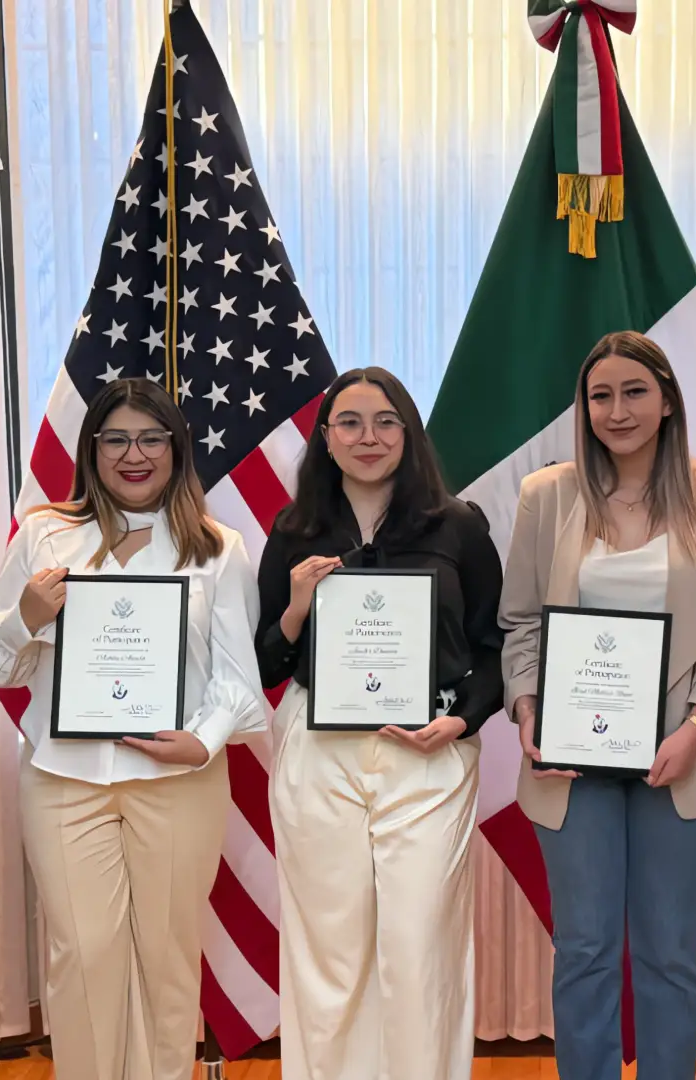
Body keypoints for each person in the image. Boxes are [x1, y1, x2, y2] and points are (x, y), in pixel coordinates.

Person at [0, 378, 266, 1080]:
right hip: (64, 779)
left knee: (166, 955)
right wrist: (28, 617)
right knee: (82, 953)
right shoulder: (45, 533)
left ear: (176, 448)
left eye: (151, 438)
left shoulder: (219, 547)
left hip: (177, 778)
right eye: (116, 439)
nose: (134, 454)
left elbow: (237, 672)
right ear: (92, 449)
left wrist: (207, 737)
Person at [498, 331, 696, 1080]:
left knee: (670, 951)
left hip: (683, 757)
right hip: (570, 762)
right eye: (601, 395)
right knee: (583, 950)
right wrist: (527, 712)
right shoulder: (546, 496)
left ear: (668, 401)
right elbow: (519, 622)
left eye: (635, 392)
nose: (617, 410)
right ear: (584, 408)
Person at [255, 366, 504, 1080]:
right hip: (318, 748)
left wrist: (460, 723)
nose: (369, 437)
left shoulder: (457, 525)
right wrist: (298, 605)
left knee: (419, 944)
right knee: (329, 949)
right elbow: (266, 662)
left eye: (386, 421)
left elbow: (494, 648)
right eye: (351, 422)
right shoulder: (294, 529)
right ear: (325, 439)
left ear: (409, 433)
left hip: (428, 753)